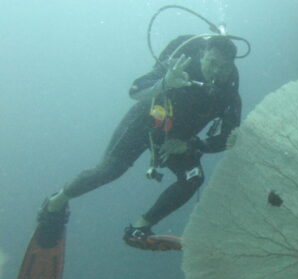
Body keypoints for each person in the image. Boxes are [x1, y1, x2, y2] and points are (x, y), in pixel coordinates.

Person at [39, 35, 242, 251]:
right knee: (109, 170)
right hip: (143, 123)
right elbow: (135, 90)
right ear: (202, 55)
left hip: (177, 141)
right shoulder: (178, 66)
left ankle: (139, 229)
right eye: (212, 63)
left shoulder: (227, 95)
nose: (216, 71)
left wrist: (192, 145)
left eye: (224, 66)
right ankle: (55, 204)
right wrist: (165, 83)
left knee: (193, 178)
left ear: (232, 67)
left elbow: (229, 139)